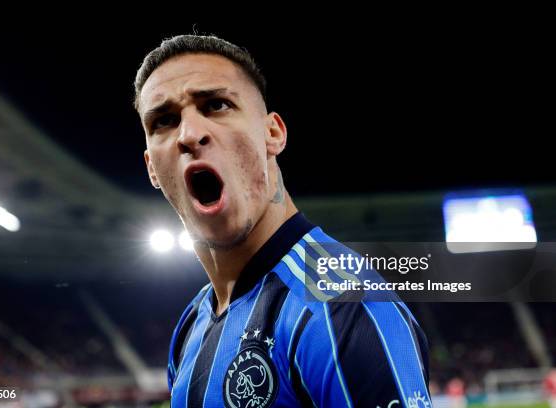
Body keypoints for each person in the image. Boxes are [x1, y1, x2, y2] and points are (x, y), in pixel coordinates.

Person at [134, 34, 431, 408]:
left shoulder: (342, 305)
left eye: (216, 105)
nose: (190, 135)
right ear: (152, 170)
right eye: (164, 121)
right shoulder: (192, 324)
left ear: (272, 133)